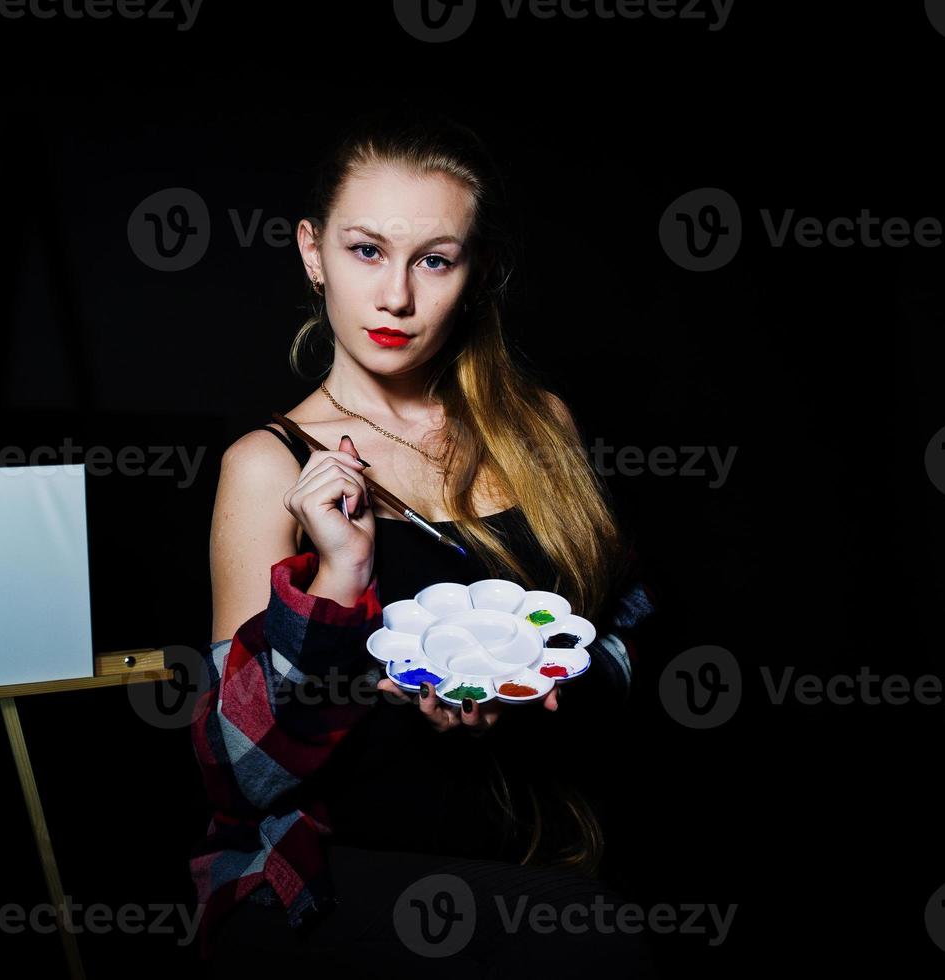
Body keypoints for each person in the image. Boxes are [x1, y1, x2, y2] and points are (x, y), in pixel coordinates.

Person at [188, 105, 659, 978]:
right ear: (311, 252)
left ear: (473, 272)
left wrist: (538, 686)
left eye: (432, 260)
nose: (396, 297)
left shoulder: (539, 428)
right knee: (596, 941)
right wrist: (339, 575)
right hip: (337, 868)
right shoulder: (267, 463)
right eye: (366, 250)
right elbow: (244, 771)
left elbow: (626, 638)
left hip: (534, 845)